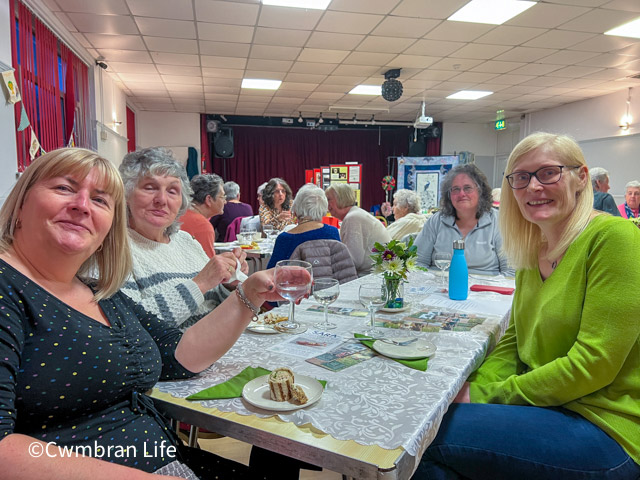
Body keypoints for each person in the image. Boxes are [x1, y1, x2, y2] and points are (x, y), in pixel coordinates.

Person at [0, 147, 303, 479]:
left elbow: (178, 354)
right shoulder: (8, 286)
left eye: (100, 200)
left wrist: (249, 293)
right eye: (64, 188)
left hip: (161, 455)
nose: (82, 205)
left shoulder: (97, 290)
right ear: (20, 204)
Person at [415, 133, 640, 480]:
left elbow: (593, 364)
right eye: (521, 177)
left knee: (427, 438)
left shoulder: (614, 238)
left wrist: (487, 393)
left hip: (603, 424)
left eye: (548, 173)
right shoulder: (533, 247)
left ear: (581, 177)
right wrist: (474, 389)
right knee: (431, 420)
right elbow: (514, 341)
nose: (534, 186)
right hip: (548, 409)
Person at [119, 147, 248, 330]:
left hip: (219, 345)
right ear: (125, 195)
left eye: (172, 191)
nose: (162, 199)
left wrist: (229, 284)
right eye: (150, 187)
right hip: (177, 356)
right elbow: (130, 326)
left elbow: (211, 302)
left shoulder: (185, 240)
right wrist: (200, 283)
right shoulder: (115, 249)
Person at [415, 164, 512, 275]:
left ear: (480, 191)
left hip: (485, 289)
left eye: (467, 188)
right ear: (448, 195)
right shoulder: (436, 221)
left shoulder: (498, 221)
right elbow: (418, 263)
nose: (461, 194)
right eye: (455, 189)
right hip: (440, 288)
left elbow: (510, 272)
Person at [267, 184, 340, 268]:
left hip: (296, 281)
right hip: (328, 280)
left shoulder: (285, 238)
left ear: (296, 210)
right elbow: (340, 266)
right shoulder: (332, 232)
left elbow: (272, 272)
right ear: (324, 208)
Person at [325, 183, 391, 276]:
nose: (326, 203)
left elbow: (353, 261)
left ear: (341, 198)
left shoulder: (352, 218)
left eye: (328, 199)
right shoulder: (355, 215)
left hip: (370, 278)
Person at [180, 174, 227, 257]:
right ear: (209, 200)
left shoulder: (179, 215)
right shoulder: (202, 225)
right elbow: (209, 266)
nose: (225, 201)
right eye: (222, 197)